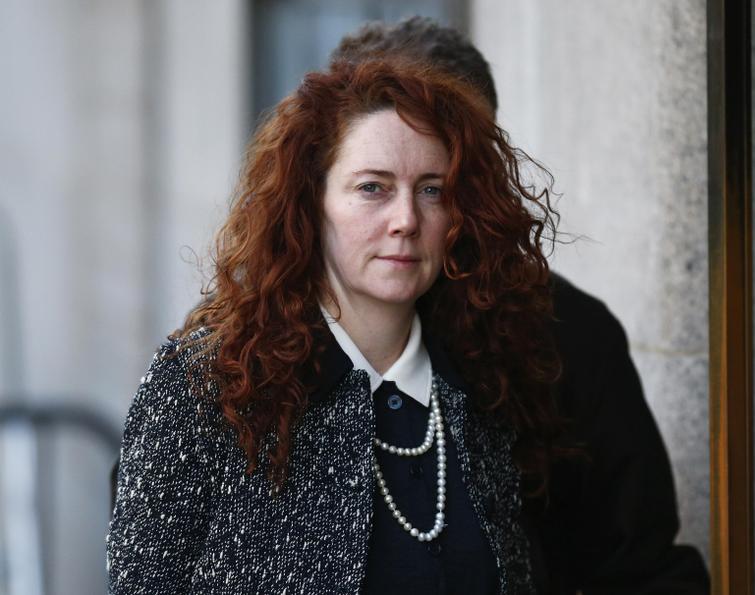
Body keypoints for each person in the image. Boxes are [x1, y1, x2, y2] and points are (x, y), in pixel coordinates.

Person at [108, 58, 572, 594]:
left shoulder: (485, 381)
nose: (406, 220)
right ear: (312, 203)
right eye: (373, 188)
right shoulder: (208, 383)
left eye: (432, 190)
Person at [329, 16, 711, 594]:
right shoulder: (256, 349)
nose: (406, 218)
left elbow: (643, 569)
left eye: (438, 180)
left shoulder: (568, 335)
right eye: (374, 182)